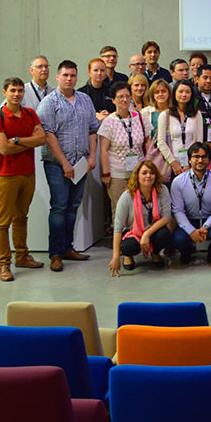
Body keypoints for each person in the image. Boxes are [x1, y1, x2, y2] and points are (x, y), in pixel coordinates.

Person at [37, 60, 100, 272]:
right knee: (59, 206)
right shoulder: (49, 102)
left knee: (73, 206)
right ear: (57, 77)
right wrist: (64, 162)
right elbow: (48, 134)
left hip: (81, 162)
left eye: (72, 75)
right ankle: (55, 253)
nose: (69, 79)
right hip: (57, 163)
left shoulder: (85, 99)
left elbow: (93, 129)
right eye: (65, 75)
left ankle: (67, 248)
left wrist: (92, 157)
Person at [0, 77, 47, 281]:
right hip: (6, 175)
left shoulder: (30, 113)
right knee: (3, 221)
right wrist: (28, 142)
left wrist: (16, 140)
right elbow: (4, 148)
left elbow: (42, 139)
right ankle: (3, 263)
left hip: (28, 173)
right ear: (4, 92)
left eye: (20, 90)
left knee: (21, 216)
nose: (16, 94)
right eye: (12, 90)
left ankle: (22, 256)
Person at [98, 81, 149, 235]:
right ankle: (119, 242)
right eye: (120, 97)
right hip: (117, 174)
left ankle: (139, 239)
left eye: (127, 96)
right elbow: (103, 150)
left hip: (138, 173)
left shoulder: (140, 118)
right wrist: (106, 173)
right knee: (119, 210)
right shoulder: (108, 122)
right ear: (113, 100)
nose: (124, 100)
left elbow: (147, 142)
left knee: (140, 208)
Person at [108, 161, 173, 274]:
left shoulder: (162, 190)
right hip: (132, 232)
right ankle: (128, 256)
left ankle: (155, 252)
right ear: (137, 176)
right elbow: (118, 227)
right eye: (144, 173)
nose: (148, 176)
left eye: (152, 173)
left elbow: (166, 217)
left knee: (165, 235)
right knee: (129, 247)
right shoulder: (127, 196)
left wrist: (146, 234)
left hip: (153, 229)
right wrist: (116, 257)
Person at [169, 142, 211, 264]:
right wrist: (191, 231)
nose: (200, 160)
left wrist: (206, 226)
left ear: (209, 159)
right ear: (189, 160)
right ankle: (186, 253)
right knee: (178, 239)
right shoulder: (178, 182)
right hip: (189, 219)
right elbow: (178, 210)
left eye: (204, 157)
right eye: (196, 157)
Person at [157, 79, 202, 178]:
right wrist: (173, 162)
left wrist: (191, 162)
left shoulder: (196, 114)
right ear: (174, 94)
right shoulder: (165, 115)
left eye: (187, 92)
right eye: (180, 91)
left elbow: (199, 140)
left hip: (192, 164)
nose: (184, 95)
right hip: (171, 164)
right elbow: (161, 142)